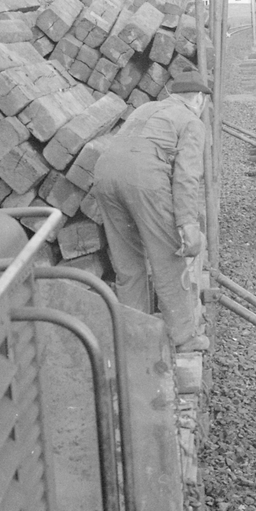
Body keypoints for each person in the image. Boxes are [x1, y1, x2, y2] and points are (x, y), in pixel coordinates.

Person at [93, 71, 211, 353]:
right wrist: (188, 226)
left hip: (104, 174)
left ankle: (135, 340)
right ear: (199, 98)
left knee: (127, 266)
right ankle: (183, 338)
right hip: (144, 179)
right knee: (169, 260)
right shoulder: (191, 122)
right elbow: (187, 177)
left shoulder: (146, 108)